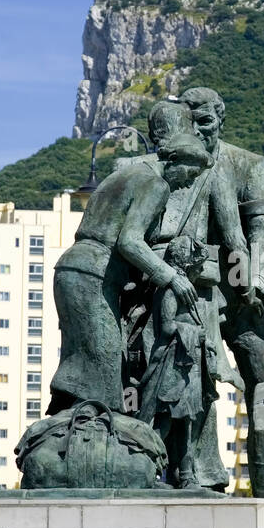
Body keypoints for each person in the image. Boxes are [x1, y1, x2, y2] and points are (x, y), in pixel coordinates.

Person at [179, 86, 264, 495]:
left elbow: (261, 230)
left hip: (241, 282)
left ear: (220, 118)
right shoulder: (175, 164)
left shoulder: (247, 165)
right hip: (198, 287)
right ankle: (202, 477)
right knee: (197, 375)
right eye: (191, 122)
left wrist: (261, 279)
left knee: (263, 374)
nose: (199, 129)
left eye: (206, 121)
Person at [48, 124, 210, 415]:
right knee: (107, 359)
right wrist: (172, 277)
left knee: (80, 355)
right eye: (190, 174)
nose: (187, 184)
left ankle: (66, 423)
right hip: (93, 275)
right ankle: (99, 434)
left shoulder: (123, 175)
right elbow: (130, 242)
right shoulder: (155, 185)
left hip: (71, 269)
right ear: (175, 161)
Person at [137, 234, 217, 489]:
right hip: (172, 365)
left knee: (187, 422)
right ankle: (148, 470)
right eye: (198, 266)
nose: (200, 271)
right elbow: (167, 326)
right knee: (164, 420)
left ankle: (187, 475)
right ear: (187, 264)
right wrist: (195, 333)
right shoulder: (170, 291)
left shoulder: (183, 289)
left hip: (187, 365)